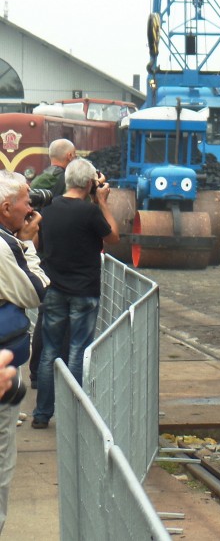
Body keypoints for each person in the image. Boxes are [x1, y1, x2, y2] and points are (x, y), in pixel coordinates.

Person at [30, 158, 117, 431]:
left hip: (53, 288)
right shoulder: (90, 213)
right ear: (90, 183)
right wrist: (102, 201)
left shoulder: (49, 210)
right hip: (85, 291)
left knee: (49, 352)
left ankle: (42, 414)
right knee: (78, 350)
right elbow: (113, 236)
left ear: (67, 180)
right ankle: (74, 413)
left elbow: (37, 244)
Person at [0, 171, 50, 534]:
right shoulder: (6, 247)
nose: (30, 207)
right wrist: (28, 244)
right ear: (6, 208)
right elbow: (35, 291)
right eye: (25, 200)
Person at [26, 140, 73, 391]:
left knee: (45, 316)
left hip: (41, 252)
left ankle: (35, 373)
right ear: (70, 155)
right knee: (59, 322)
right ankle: (57, 374)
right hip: (56, 255)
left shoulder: (42, 178)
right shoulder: (63, 180)